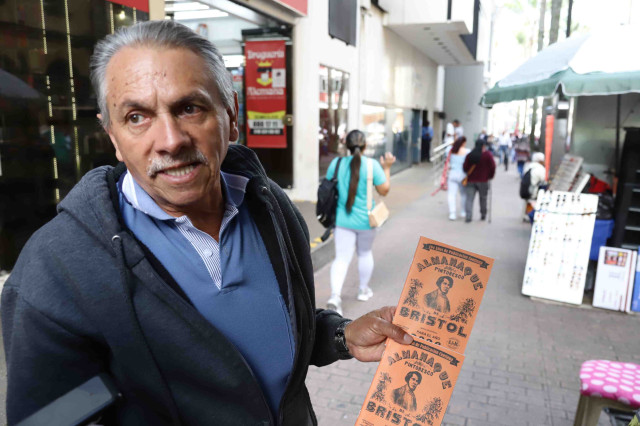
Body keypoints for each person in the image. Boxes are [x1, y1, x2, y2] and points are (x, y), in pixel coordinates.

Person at [1, 21, 414, 425]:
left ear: (231, 116)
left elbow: (276, 329)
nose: (170, 140)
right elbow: (55, 416)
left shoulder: (271, 208)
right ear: (113, 137)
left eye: (189, 108)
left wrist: (341, 335)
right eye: (137, 117)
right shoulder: (58, 265)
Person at [325, 130, 396, 315]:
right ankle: (363, 291)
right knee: (364, 254)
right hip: (366, 221)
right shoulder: (372, 165)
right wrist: (387, 167)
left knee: (341, 258)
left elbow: (328, 187)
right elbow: (384, 191)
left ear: (346, 146)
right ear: (365, 146)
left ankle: (335, 297)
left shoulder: (336, 164)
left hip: (342, 221)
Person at [463, 140, 496, 222]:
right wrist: (490, 176)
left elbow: (465, 167)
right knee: (483, 198)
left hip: (471, 180)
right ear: (483, 146)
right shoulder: (487, 155)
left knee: (469, 199)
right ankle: (483, 214)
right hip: (483, 180)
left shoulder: (470, 155)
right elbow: (493, 166)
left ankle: (468, 216)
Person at [446, 136, 470, 221]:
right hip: (463, 175)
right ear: (463, 143)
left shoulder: (450, 150)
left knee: (451, 194)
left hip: (452, 174)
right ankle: (463, 211)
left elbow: (447, 156)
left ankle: (452, 213)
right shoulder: (467, 151)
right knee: (463, 194)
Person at [523, 152, 548, 222]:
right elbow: (544, 180)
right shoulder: (540, 168)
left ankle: (528, 213)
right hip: (533, 192)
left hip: (525, 190)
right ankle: (532, 215)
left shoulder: (528, 166)